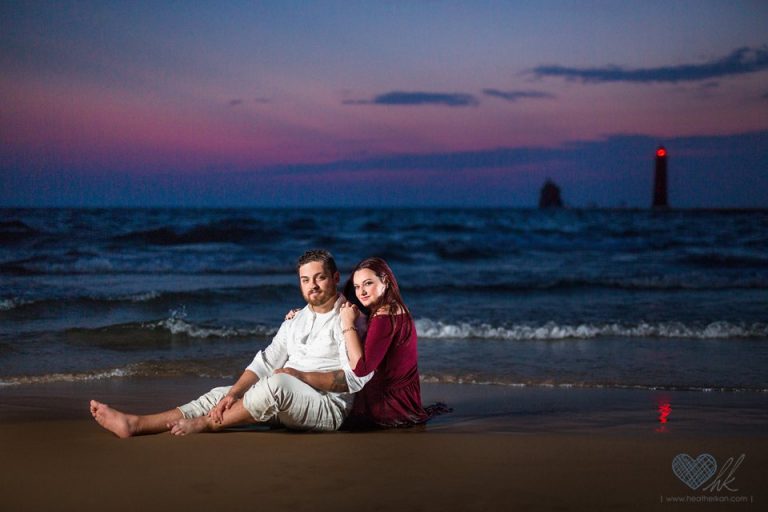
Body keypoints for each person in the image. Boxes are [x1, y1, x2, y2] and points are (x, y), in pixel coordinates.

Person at [89, 249, 370, 437]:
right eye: (305, 280)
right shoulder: (295, 319)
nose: (313, 286)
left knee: (276, 385)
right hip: (285, 402)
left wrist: (299, 375)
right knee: (221, 393)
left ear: (335, 278)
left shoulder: (350, 318)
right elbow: (266, 361)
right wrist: (233, 394)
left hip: (327, 408)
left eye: (320, 278)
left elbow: (353, 379)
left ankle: (206, 424)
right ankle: (136, 424)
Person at [339, 257, 429, 428]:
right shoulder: (398, 308)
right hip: (406, 400)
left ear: (385, 281)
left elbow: (361, 369)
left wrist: (348, 324)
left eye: (368, 283)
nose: (361, 292)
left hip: (387, 407)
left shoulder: (384, 316)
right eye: (357, 287)